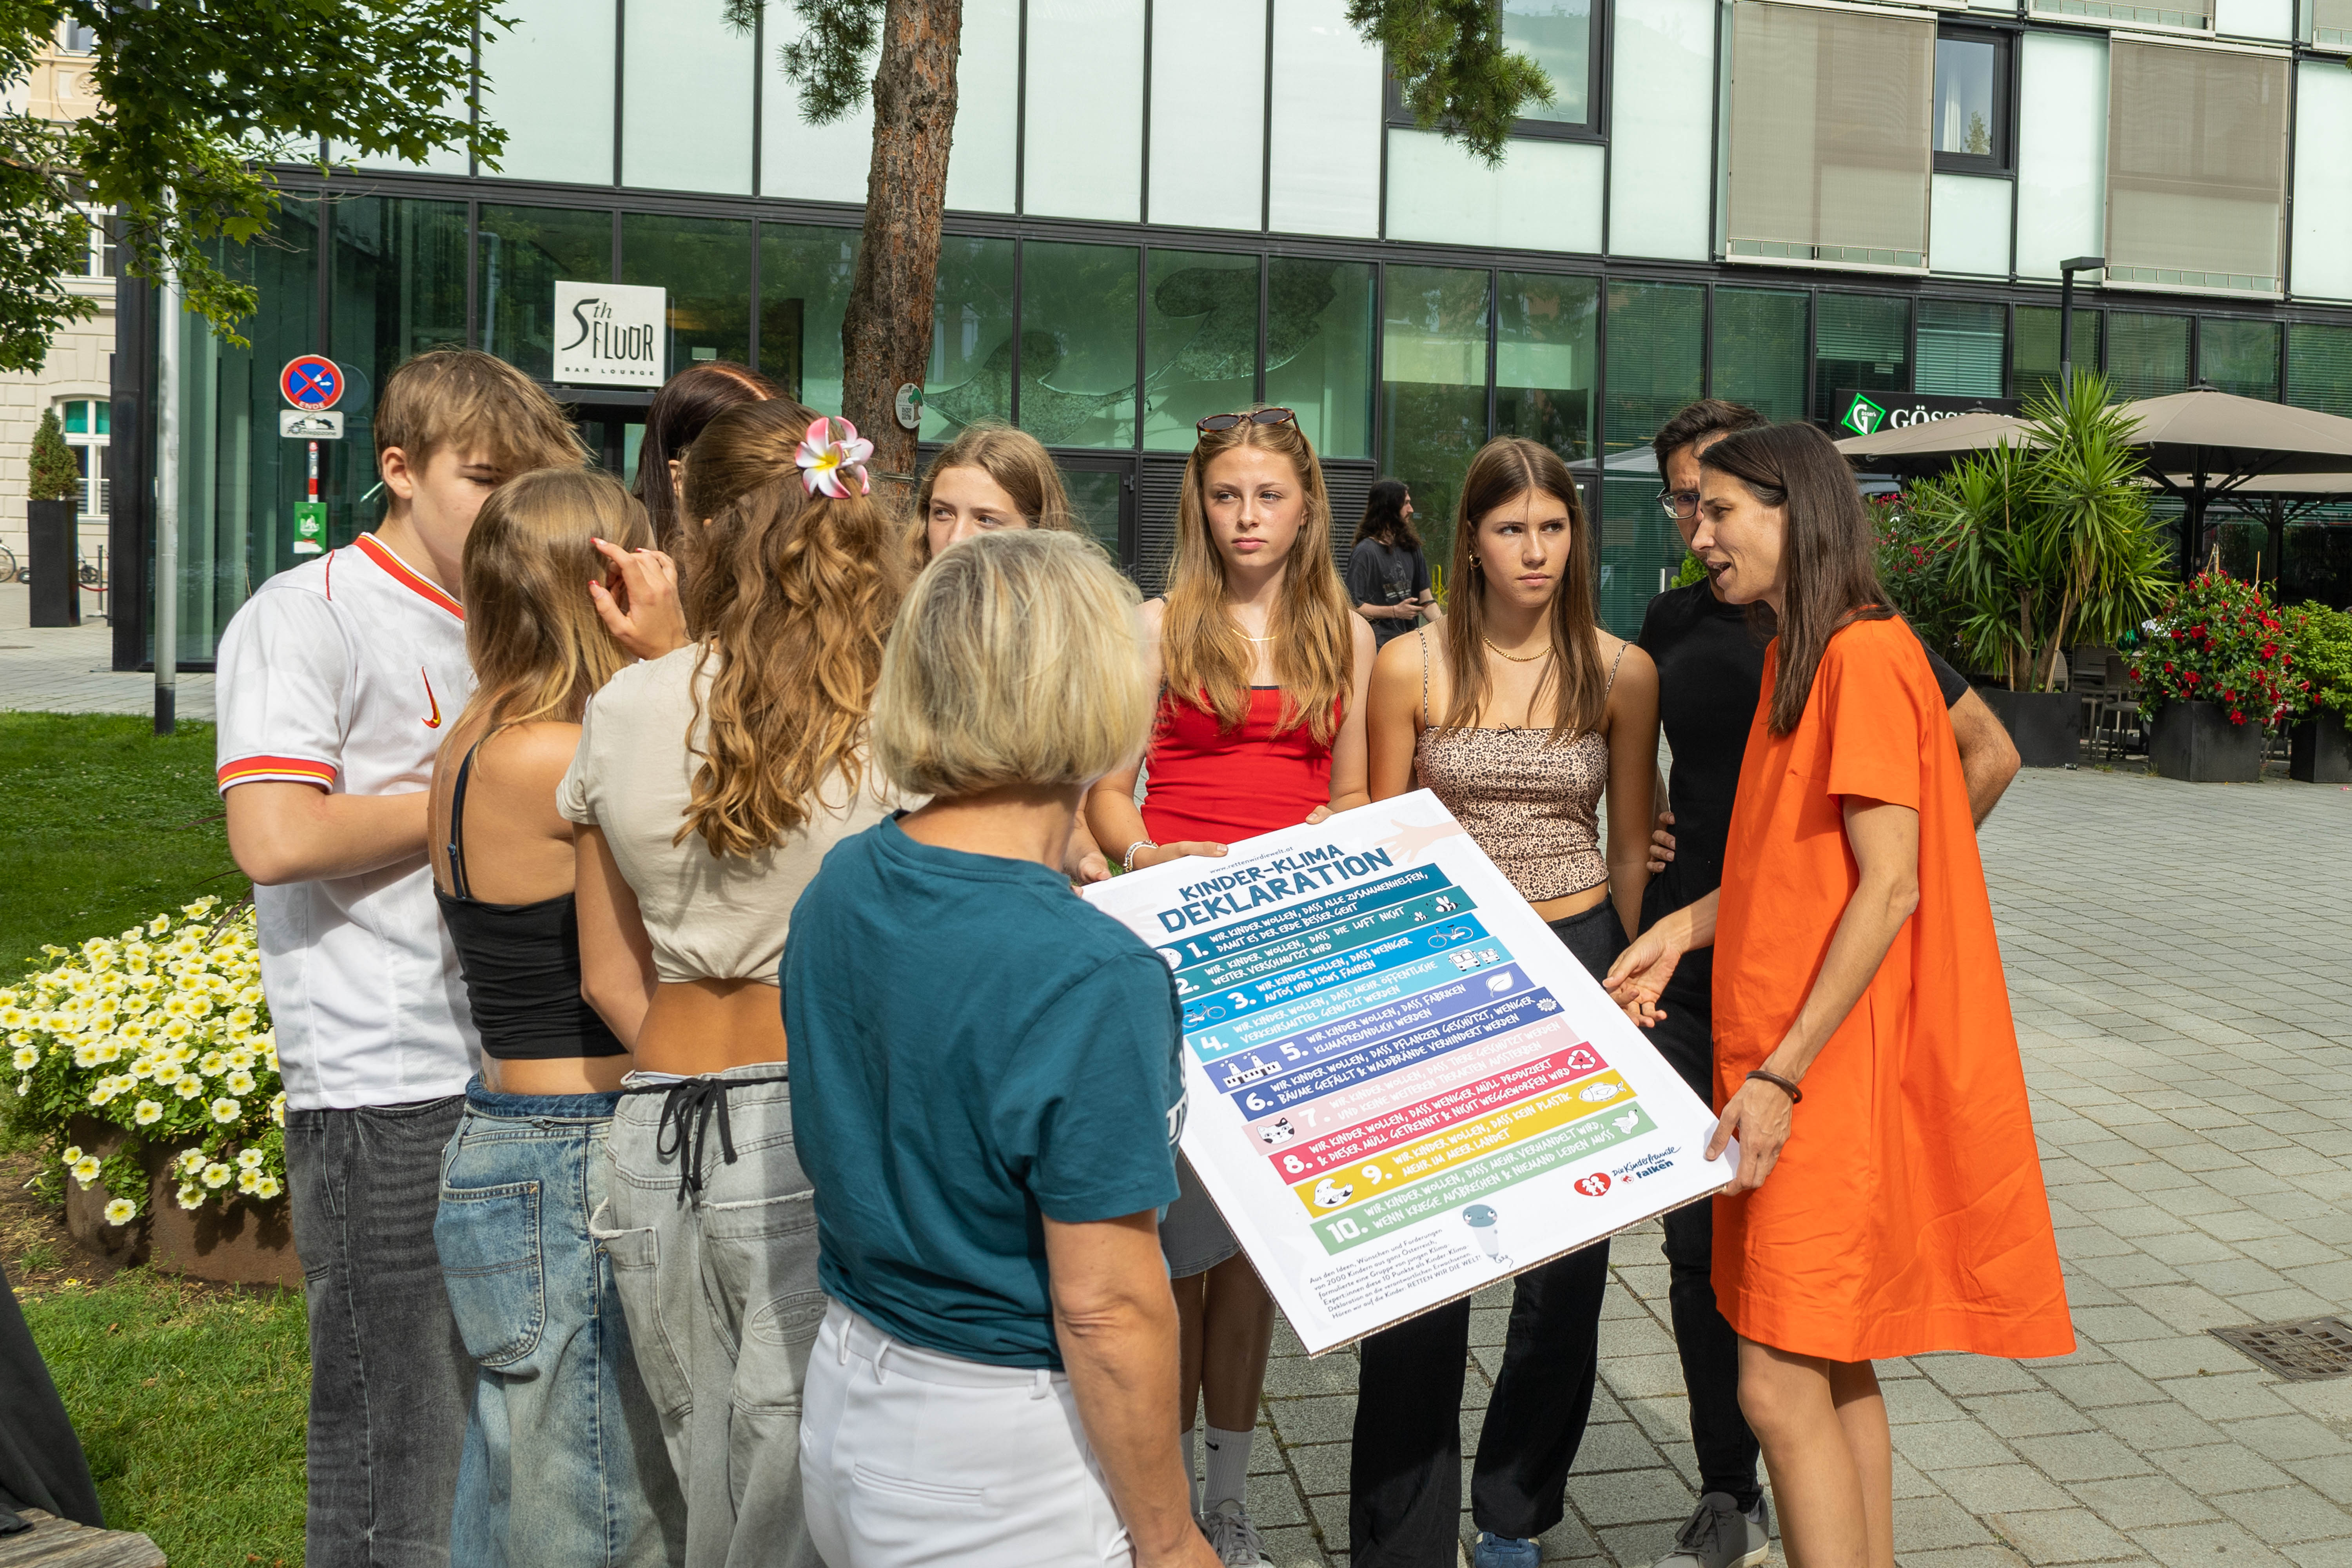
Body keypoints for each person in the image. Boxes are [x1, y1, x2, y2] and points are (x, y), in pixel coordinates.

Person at [1607, 423, 2071, 1568]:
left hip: (1808, 1073)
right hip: (1787, 1054)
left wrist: (1777, 1073)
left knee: (1768, 1382)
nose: (1698, 536)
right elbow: (1784, 864)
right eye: (1693, 511)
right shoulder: (1798, 653)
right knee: (1829, 1360)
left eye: (1718, 511)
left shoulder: (1860, 655)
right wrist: (1676, 926)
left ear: (1791, 511)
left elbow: (1890, 882)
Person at [215, 348, 586, 1568]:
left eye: (528, 478)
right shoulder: (303, 612)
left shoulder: (513, 620)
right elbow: (275, 835)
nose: (510, 505)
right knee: (397, 1444)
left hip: (517, 1067)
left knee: (510, 1433)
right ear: (396, 468)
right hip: (382, 1083)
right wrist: (473, 794)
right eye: (484, 478)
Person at [786, 529, 1217, 1568]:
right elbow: (1108, 1307)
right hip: (1006, 1451)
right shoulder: (1089, 971)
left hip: (850, 1386)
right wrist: (1171, 1540)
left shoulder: (846, 879)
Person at [563, 401, 902, 1568]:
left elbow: (609, 969)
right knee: (800, 1485)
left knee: (686, 1470)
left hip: (652, 1121)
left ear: (694, 533)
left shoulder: (620, 708)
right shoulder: (887, 717)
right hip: (810, 1115)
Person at [1355, 436, 1660, 1568]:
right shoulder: (1412, 668)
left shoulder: (1619, 669)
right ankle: (1401, 1537)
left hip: (1580, 956)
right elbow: (1379, 840)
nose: (1534, 551)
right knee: (1424, 1273)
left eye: (1553, 527)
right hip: (1444, 977)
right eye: (1509, 528)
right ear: (1468, 540)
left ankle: (1515, 1518)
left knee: (1564, 1279)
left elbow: (1631, 842)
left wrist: (1622, 978)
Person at [1083, 405, 1376, 1568]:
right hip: (1169, 950)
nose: (1246, 517)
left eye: (1267, 495)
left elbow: (1355, 797)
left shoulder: (1341, 632)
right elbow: (1108, 796)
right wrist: (1150, 856)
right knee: (1168, 1250)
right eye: (1225, 496)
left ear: (1306, 505)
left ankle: (1232, 1496)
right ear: (1197, 506)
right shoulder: (1155, 624)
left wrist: (1320, 833)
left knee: (1252, 1253)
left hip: (1289, 957)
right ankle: (1158, 1503)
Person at [426, 467, 685, 1567]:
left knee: (512, 1495)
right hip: (573, 1155)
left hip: (508, 1140)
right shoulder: (556, 756)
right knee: (596, 1508)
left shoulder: (483, 730)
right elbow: (619, 977)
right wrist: (673, 658)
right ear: (598, 583)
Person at [593, 362, 783, 662]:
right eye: (753, 466)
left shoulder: (787, 557)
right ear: (680, 478)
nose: (787, 483)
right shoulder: (622, 581)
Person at [909, 422, 1078, 566]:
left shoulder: (1071, 604)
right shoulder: (901, 602)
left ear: (1039, 529)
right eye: (943, 513)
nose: (956, 539)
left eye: (986, 520)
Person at [1347, 478, 1436, 647]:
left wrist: (1446, 627)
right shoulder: (1365, 552)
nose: (1412, 509)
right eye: (1406, 504)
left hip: (1409, 644)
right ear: (1389, 509)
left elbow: (1426, 602)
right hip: (1377, 647)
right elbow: (1352, 607)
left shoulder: (1412, 548)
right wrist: (1395, 611)